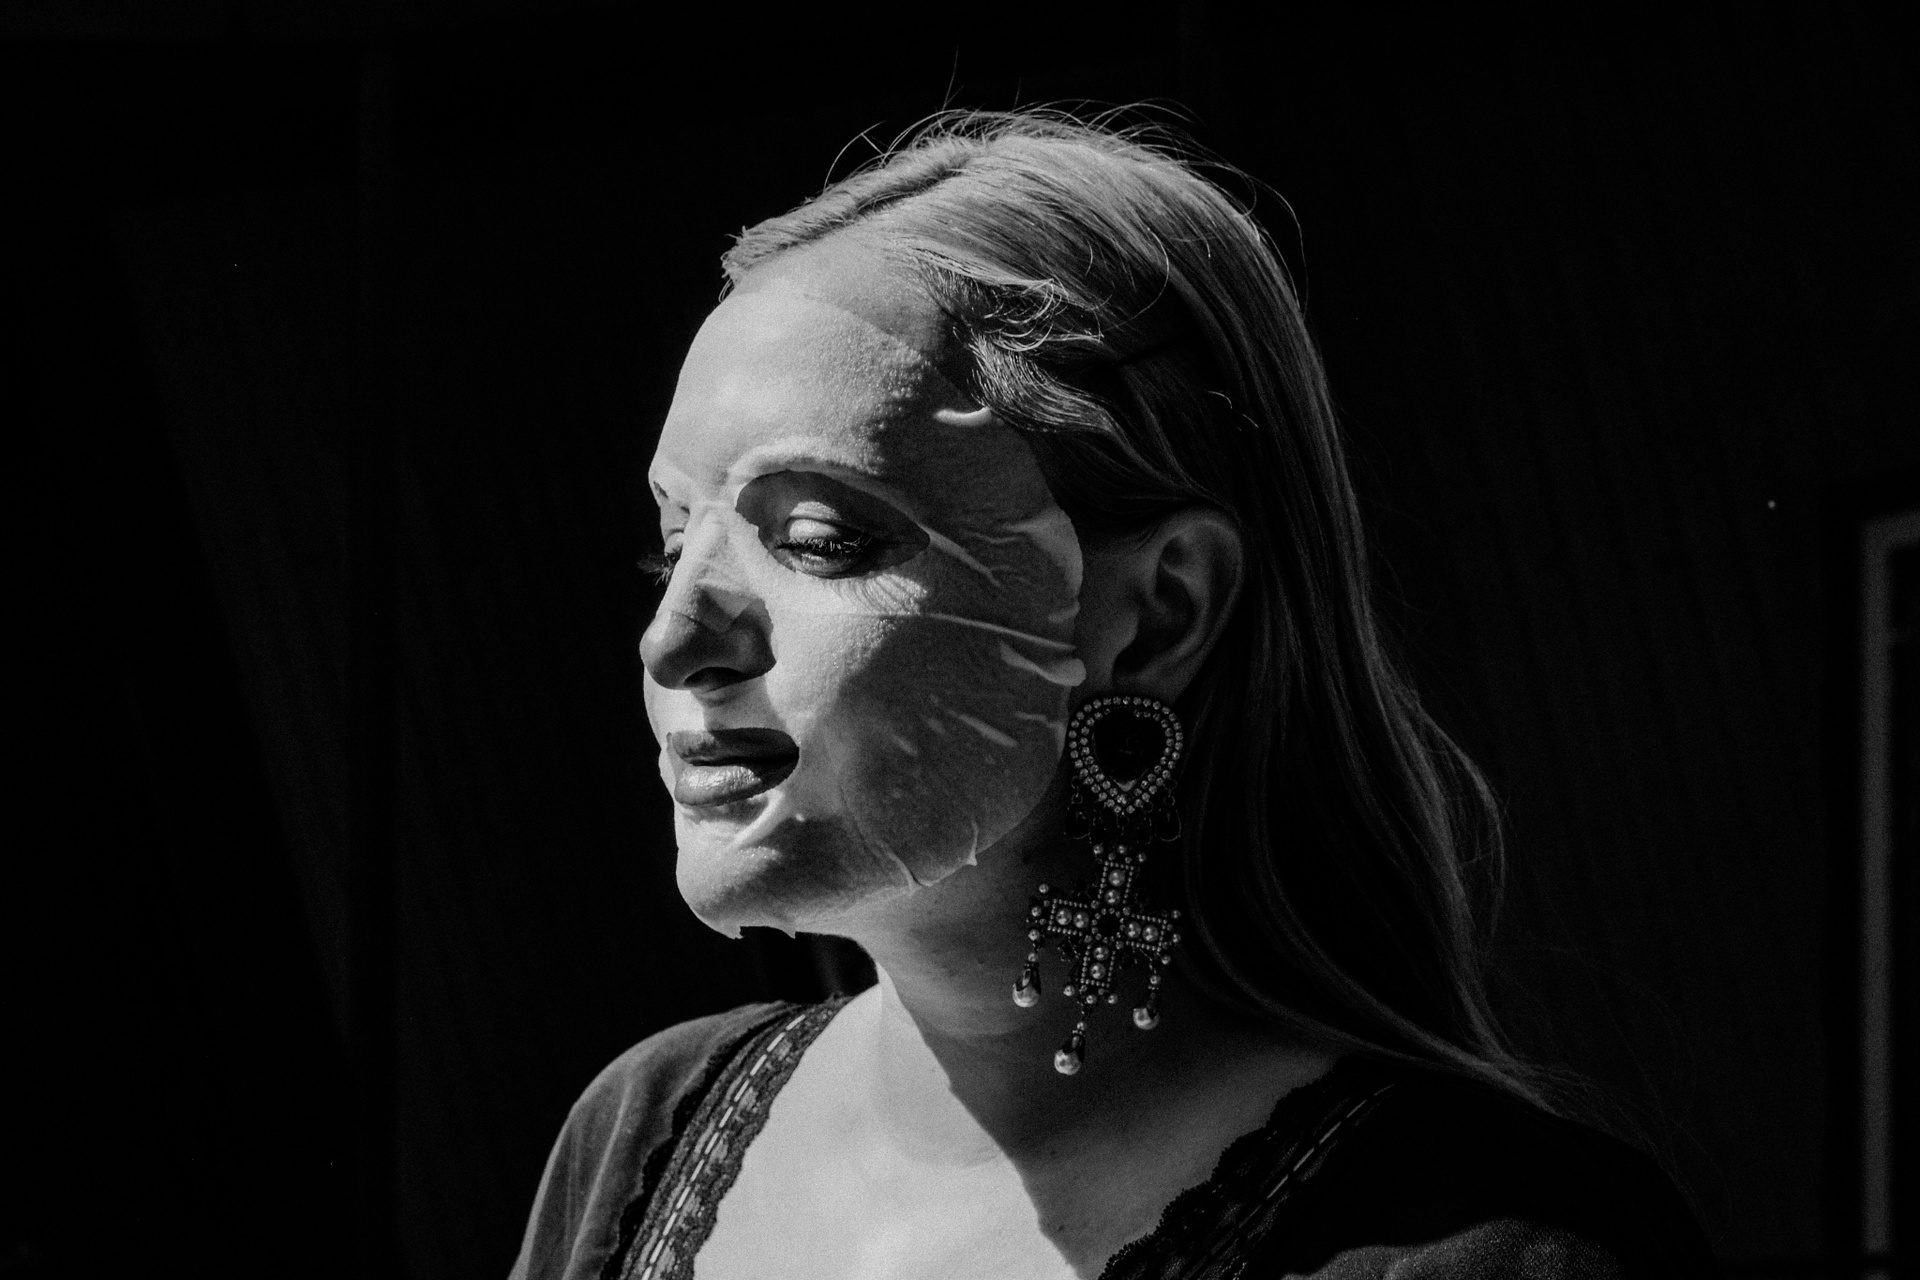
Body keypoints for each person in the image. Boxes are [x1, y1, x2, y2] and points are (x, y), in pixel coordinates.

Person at [509, 110, 1717, 1280]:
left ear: (1162, 612)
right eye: (675, 544)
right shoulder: (639, 1133)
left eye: (820, 539)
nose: (675, 639)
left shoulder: (1485, 1245)